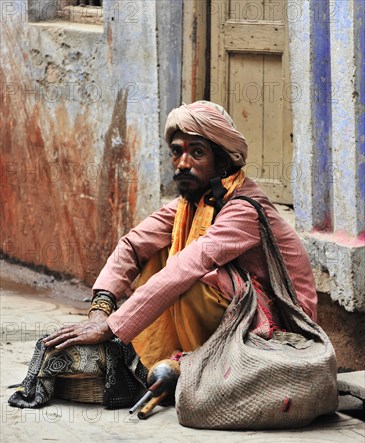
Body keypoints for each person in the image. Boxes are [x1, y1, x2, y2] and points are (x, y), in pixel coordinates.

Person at [42, 100, 317, 381]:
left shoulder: (244, 207)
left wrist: (113, 326)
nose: (183, 163)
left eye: (196, 153)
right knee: (155, 253)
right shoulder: (192, 203)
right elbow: (133, 245)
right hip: (238, 306)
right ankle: (162, 363)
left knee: (189, 277)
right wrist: (101, 309)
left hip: (280, 327)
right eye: (177, 152)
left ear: (221, 161)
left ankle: (203, 372)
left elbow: (189, 265)